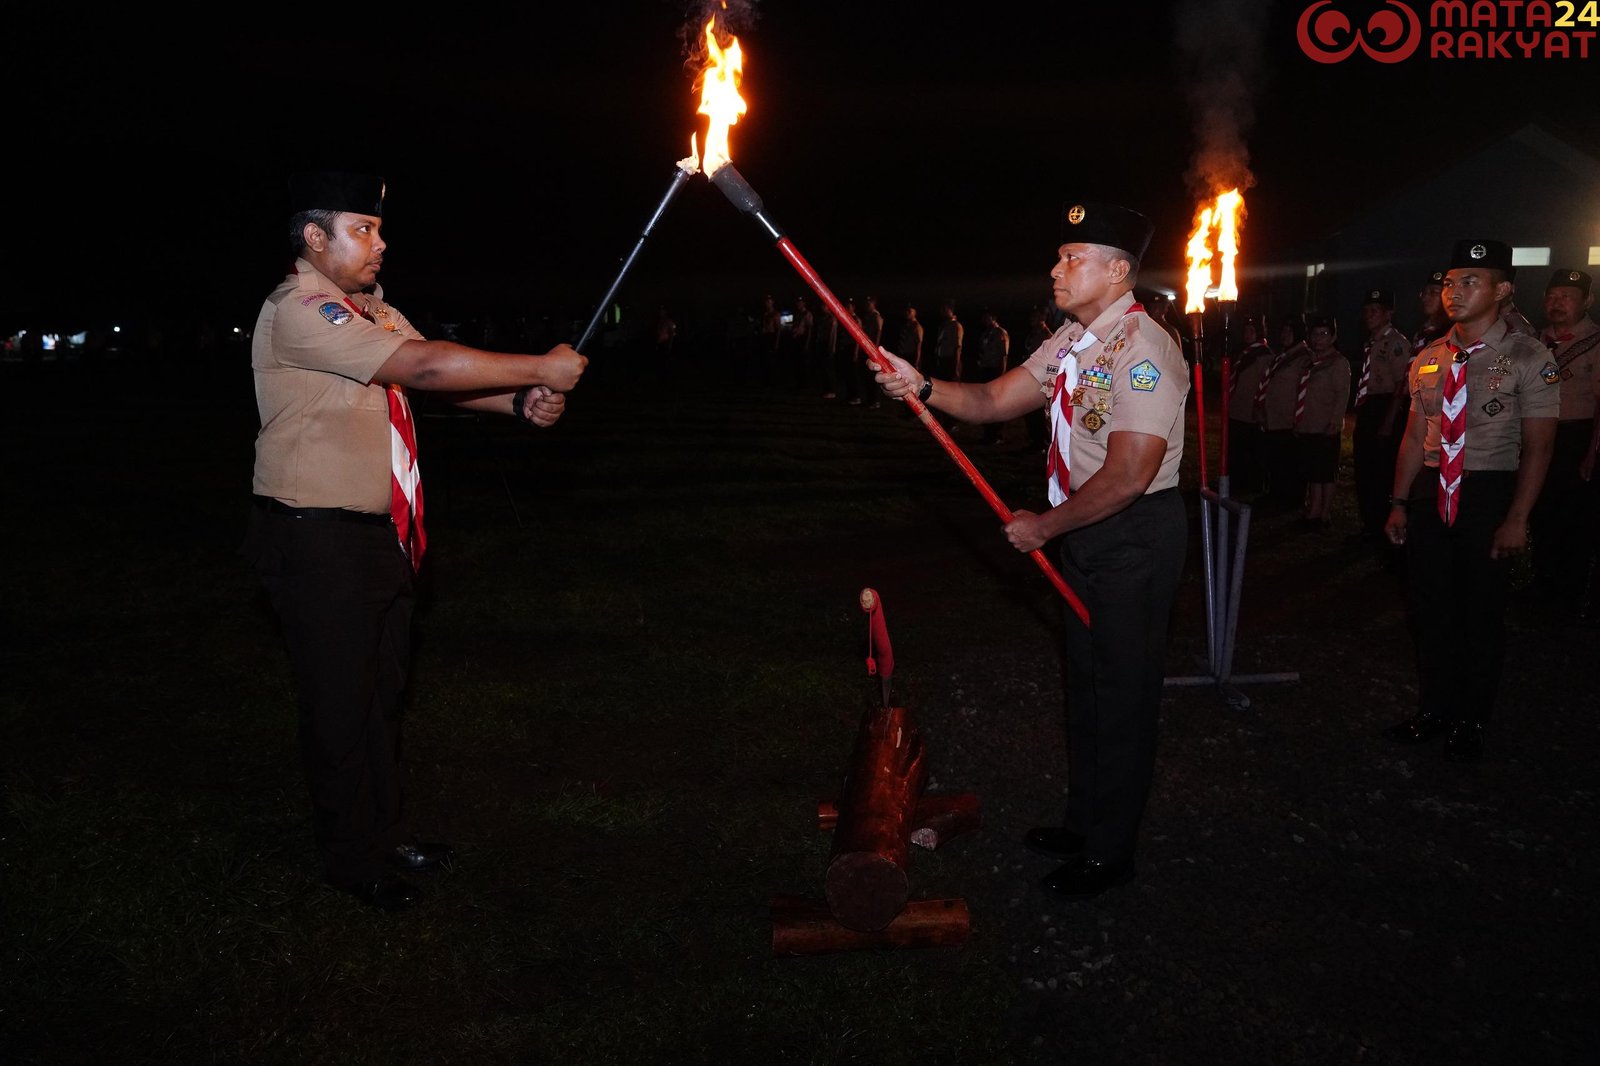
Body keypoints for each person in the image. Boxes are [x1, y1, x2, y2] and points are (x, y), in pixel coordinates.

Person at [243, 171, 587, 910]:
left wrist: (520, 403)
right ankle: (349, 859)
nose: (379, 241)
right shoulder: (300, 309)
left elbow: (435, 379)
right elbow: (420, 364)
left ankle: (382, 828)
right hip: (316, 540)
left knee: (381, 693)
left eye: (378, 229)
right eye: (361, 228)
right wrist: (541, 365)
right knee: (340, 702)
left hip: (380, 537)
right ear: (314, 237)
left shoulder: (372, 311)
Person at [874, 200, 1188, 900]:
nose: (1056, 268)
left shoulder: (1145, 348)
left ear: (1118, 269)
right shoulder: (1071, 341)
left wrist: (1046, 528)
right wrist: (921, 384)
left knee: (1123, 695)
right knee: (1087, 686)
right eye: (1058, 256)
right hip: (1086, 527)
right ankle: (1085, 824)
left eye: (1072, 257)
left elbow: (1131, 473)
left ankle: (1111, 853)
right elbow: (991, 398)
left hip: (1130, 536)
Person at [1382, 239, 1559, 763]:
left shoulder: (1529, 356)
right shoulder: (1430, 358)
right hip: (1431, 491)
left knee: (1480, 613)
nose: (1453, 293)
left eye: (1469, 282)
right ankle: (1435, 708)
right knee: (1430, 608)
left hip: (1488, 491)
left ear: (1502, 289)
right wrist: (1397, 502)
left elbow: (1540, 447)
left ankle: (1472, 718)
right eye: (1449, 283)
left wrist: (1518, 518)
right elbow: (1415, 438)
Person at [1531, 269, 1600, 620]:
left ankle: (1569, 595)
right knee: (1540, 512)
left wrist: (1593, 452)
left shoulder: (1595, 342)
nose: (1557, 303)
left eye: (1567, 297)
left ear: (1587, 302)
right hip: (1537, 438)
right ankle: (1542, 585)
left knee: (1575, 519)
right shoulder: (1535, 341)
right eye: (1552, 296)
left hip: (1577, 438)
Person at [1348, 290, 1413, 543]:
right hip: (1369, 407)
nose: (1369, 315)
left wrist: (1388, 421)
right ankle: (1370, 525)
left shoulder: (1396, 343)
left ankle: (1382, 527)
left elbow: (1402, 385)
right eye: (1367, 310)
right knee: (1364, 470)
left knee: (1380, 473)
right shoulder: (1371, 343)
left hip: (1385, 407)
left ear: (1389, 314)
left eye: (1375, 310)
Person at [1293, 315, 1350, 530]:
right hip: (1308, 425)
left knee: (1325, 473)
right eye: (1315, 334)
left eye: (1324, 334)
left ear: (1333, 336)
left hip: (1326, 427)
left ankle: (1323, 514)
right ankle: (1313, 511)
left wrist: (1334, 423)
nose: (1318, 339)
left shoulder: (1338, 363)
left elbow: (1342, 395)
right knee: (1313, 472)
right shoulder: (1311, 362)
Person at [1255, 318, 1311, 509]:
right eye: (1283, 331)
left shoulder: (1304, 358)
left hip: (1289, 420)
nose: (1284, 335)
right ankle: (1275, 494)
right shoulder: (1282, 356)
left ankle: (1290, 499)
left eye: (1290, 331)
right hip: (1274, 418)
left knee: (1289, 462)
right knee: (1275, 460)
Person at [1225, 313, 1271, 496]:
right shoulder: (1242, 353)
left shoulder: (1264, 355)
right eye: (1246, 330)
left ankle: (1252, 484)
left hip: (1250, 413)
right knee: (1235, 452)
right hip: (1236, 410)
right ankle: (1235, 480)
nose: (1248, 334)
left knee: (1251, 453)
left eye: (1252, 331)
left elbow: (1265, 385)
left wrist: (1260, 409)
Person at [974, 309, 1010, 442]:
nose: (984, 320)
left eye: (987, 317)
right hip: (985, 369)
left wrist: (1002, 374)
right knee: (985, 401)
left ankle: (996, 433)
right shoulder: (986, 333)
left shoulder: (1000, 333)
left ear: (993, 318)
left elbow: (1003, 356)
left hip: (995, 371)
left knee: (995, 403)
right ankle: (987, 432)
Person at [854, 295, 884, 408]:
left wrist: (874, 351)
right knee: (866, 376)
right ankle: (870, 399)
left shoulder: (877, 316)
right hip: (865, 349)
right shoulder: (867, 316)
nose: (867, 305)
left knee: (873, 377)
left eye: (869, 303)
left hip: (873, 351)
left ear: (874, 304)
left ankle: (876, 401)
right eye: (866, 303)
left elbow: (879, 333)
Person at [1412, 270, 1450, 356]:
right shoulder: (1423, 331)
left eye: (1433, 293)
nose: (1425, 298)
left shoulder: (1451, 333)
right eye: (1424, 293)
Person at [933, 299, 963, 382]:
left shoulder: (956, 326)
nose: (942, 311)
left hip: (950, 361)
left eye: (944, 309)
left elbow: (958, 347)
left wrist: (956, 367)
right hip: (941, 360)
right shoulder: (944, 325)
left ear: (951, 310)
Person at [896, 304, 924, 371]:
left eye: (909, 311)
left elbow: (919, 345)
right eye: (906, 310)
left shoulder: (917, 327)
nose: (907, 313)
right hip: (902, 355)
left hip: (911, 357)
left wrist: (916, 362)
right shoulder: (905, 325)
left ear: (915, 312)